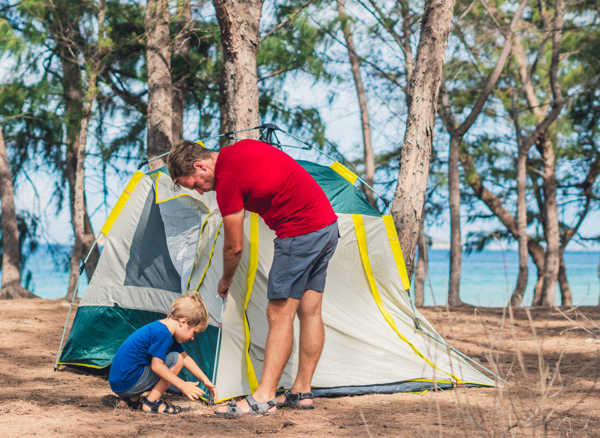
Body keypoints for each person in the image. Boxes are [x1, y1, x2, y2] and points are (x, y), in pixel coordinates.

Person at [168, 139, 339, 417]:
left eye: (195, 184)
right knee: (310, 311)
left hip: (299, 232)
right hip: (326, 226)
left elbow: (234, 246)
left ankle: (263, 398)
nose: (201, 190)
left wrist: (225, 280)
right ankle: (301, 392)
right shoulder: (241, 149)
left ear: (200, 166)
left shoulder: (227, 181)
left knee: (278, 313)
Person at [109, 292, 218, 414]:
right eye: (194, 332)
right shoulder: (163, 334)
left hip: (120, 381)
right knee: (176, 360)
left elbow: (186, 357)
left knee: (177, 358)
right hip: (127, 381)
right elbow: (157, 366)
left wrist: (205, 380)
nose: (193, 337)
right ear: (183, 322)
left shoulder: (163, 328)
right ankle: (151, 403)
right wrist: (183, 385)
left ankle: (130, 400)